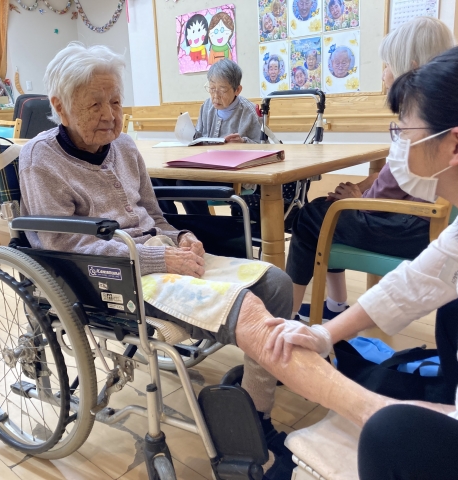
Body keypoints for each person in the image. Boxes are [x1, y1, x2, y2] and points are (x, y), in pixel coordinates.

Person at [245, 43, 458, 479]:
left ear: (457, 144)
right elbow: (419, 279)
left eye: (403, 129)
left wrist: (349, 397)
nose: (398, 139)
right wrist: (325, 333)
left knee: (390, 429)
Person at [19, 43, 294, 471]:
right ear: (60, 106)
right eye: (95, 104)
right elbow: (62, 245)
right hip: (110, 278)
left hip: (158, 257)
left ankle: (254, 411)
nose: (110, 115)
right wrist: (155, 260)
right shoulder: (41, 159)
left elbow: (155, 216)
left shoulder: (125, 146)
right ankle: (245, 426)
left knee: (275, 284)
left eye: (115, 102)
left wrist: (182, 237)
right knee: (247, 309)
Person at [287, 16, 454, 323]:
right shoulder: (444, 111)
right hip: (426, 223)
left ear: (411, 69)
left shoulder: (417, 120)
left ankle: (288, 313)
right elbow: (395, 178)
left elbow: (381, 196)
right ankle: (335, 305)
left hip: (410, 229)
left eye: (387, 65)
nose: (383, 74)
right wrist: (362, 189)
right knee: (331, 211)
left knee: (312, 216)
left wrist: (356, 198)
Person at [153, 59, 261, 215]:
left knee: (185, 183)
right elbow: (200, 138)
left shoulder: (249, 112)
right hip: (202, 170)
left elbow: (263, 148)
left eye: (222, 90)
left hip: (232, 176)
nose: (215, 96)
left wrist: (244, 142)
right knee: (157, 180)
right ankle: (171, 224)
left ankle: (202, 225)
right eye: (211, 88)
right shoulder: (206, 106)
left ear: (237, 90)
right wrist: (189, 135)